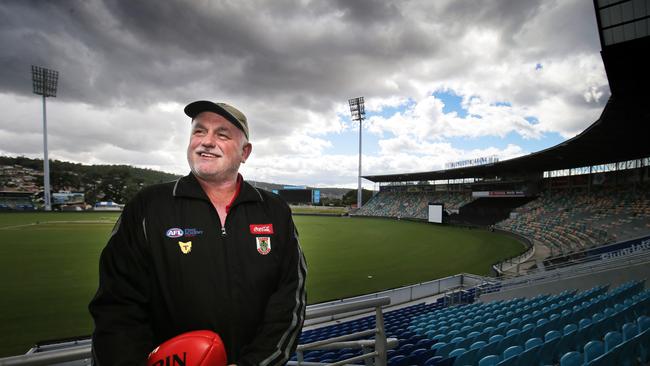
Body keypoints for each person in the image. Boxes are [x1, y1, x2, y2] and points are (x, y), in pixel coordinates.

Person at [89, 100, 307, 366]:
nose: (206, 141)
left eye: (222, 134)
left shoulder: (274, 210)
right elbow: (116, 306)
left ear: (245, 152)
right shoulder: (148, 205)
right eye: (199, 131)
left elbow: (289, 301)